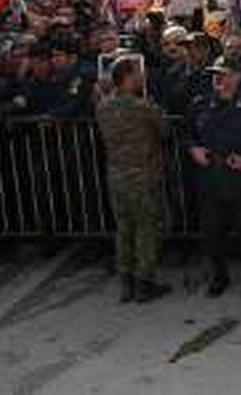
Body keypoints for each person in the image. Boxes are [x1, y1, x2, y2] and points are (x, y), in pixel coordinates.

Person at [185, 57, 241, 298]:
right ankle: (219, 275)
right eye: (215, 73)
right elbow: (186, 132)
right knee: (212, 231)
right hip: (210, 175)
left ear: (237, 77)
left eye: (223, 73)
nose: (218, 78)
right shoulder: (200, 104)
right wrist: (193, 149)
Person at [94, 56, 170, 304]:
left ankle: (125, 280)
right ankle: (143, 282)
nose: (142, 76)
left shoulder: (103, 107)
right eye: (138, 72)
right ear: (127, 77)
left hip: (116, 176)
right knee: (146, 228)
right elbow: (165, 130)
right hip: (143, 175)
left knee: (124, 229)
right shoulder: (143, 107)